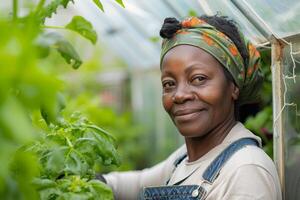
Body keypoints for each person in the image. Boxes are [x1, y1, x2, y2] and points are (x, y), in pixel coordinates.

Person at [101, 15, 282, 200]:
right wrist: (90, 182)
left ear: (233, 87)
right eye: (169, 84)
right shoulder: (184, 159)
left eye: (198, 79)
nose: (179, 95)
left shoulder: (246, 171)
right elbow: (135, 184)